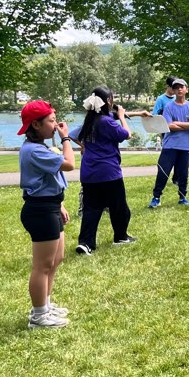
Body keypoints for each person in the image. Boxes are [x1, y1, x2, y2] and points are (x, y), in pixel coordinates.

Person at [17, 100, 74, 328]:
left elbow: (48, 180)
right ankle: (38, 315)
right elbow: (69, 164)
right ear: (36, 125)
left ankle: (46, 305)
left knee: (55, 260)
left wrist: (59, 205)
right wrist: (66, 139)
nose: (55, 125)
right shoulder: (33, 151)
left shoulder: (39, 147)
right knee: (42, 266)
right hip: (40, 210)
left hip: (50, 205)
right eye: (51, 121)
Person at [71, 87, 137, 256]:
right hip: (108, 172)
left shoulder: (90, 120)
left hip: (89, 173)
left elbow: (72, 134)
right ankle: (120, 237)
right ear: (108, 101)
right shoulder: (106, 122)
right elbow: (127, 134)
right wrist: (121, 116)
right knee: (119, 207)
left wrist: (84, 146)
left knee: (91, 209)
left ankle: (85, 243)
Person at [149, 79, 189, 208]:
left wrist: (177, 123)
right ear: (173, 90)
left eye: (182, 87)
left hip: (185, 145)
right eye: (176, 88)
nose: (179, 89)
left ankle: (182, 197)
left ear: (187, 89)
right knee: (163, 172)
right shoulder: (169, 107)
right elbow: (169, 126)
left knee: (183, 173)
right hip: (170, 145)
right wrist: (186, 125)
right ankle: (156, 197)